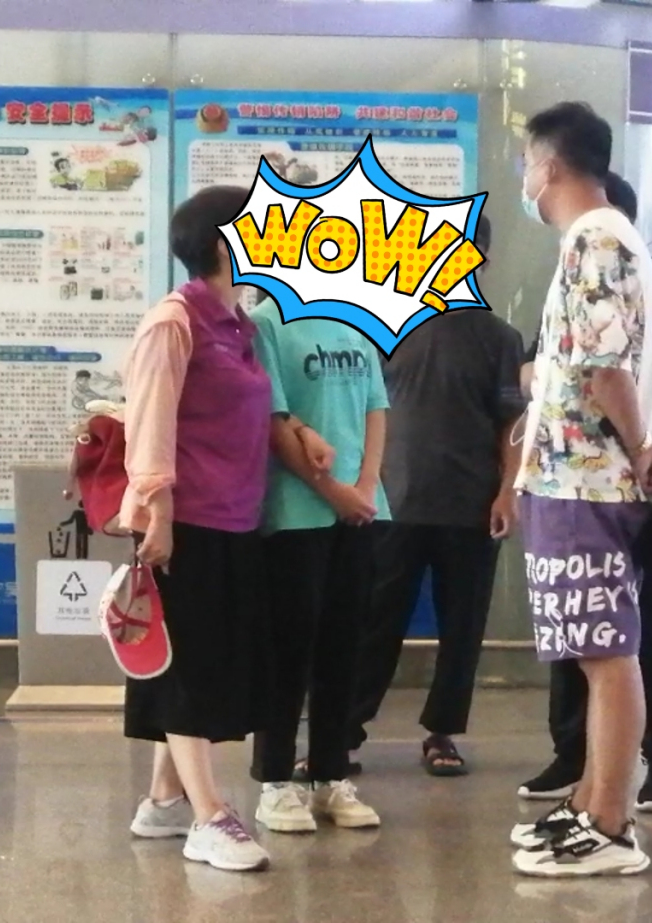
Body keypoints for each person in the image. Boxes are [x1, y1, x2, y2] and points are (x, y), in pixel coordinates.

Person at [118, 185, 332, 873]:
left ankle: (162, 801)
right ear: (222, 243)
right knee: (193, 671)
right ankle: (210, 816)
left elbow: (255, 406)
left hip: (238, 517)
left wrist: (299, 430)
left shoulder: (240, 325)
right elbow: (149, 421)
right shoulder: (173, 322)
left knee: (202, 660)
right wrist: (158, 513)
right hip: (186, 521)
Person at [505, 102, 652, 879]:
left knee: (606, 652)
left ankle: (610, 822)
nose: (524, 178)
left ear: (549, 166)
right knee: (592, 650)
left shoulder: (597, 240)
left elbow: (605, 369)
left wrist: (640, 449)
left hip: (588, 480)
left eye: (526, 163)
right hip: (573, 476)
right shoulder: (602, 238)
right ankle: (590, 799)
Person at [518, 173, 652, 815]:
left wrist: (641, 440)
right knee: (585, 638)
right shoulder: (576, 275)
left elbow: (642, 376)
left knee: (639, 632)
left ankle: (648, 775)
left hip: (625, 478)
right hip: (576, 475)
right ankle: (581, 774)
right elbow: (535, 370)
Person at [345, 214, 525, 777]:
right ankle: (343, 735)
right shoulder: (384, 325)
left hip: (471, 505)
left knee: (462, 628)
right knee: (373, 623)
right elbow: (361, 411)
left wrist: (508, 492)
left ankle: (442, 734)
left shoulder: (500, 338)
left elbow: (512, 424)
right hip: (391, 502)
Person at [249, 267, 391, 834]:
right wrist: (333, 491)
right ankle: (275, 781)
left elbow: (376, 409)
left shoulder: (357, 322)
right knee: (289, 650)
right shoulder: (266, 323)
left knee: (345, 648)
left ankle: (331, 775)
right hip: (296, 512)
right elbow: (274, 422)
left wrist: (366, 485)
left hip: (362, 508)